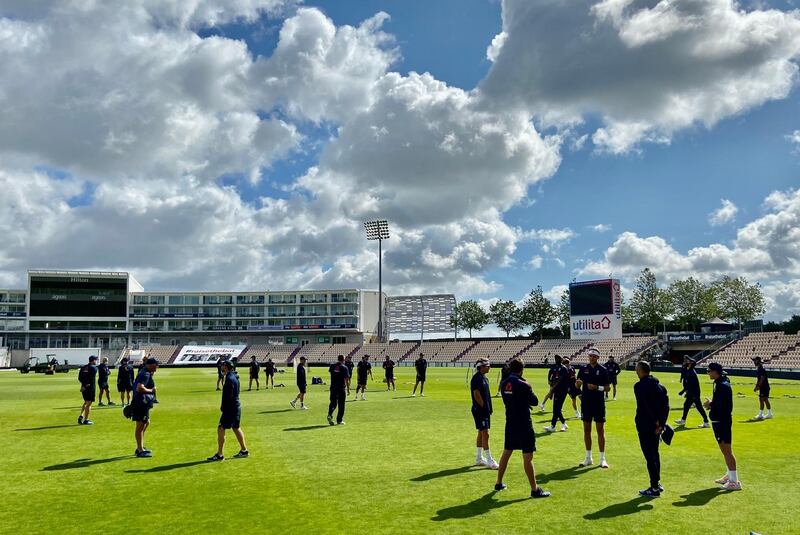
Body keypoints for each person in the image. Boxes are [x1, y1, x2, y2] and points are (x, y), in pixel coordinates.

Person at [494, 359, 550, 498]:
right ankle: (534, 489)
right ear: (521, 369)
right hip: (524, 423)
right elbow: (535, 401)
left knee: (507, 452)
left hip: (510, 422)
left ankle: (498, 482)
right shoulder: (524, 384)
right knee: (528, 456)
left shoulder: (504, 383)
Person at [703, 362, 742, 490]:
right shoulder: (719, 383)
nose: (707, 373)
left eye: (709, 371)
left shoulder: (722, 386)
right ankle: (729, 475)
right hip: (720, 421)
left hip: (722, 422)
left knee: (727, 451)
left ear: (715, 372)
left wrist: (710, 405)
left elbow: (724, 407)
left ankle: (734, 482)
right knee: (725, 452)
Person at [634, 361, 669, 497]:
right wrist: (661, 424)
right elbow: (666, 407)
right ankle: (657, 483)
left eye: (637, 369)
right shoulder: (660, 386)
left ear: (642, 370)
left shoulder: (639, 386)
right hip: (657, 426)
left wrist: (655, 421)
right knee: (655, 454)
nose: (636, 371)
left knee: (650, 456)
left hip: (646, 425)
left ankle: (654, 487)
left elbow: (644, 406)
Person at [207, 360, 249, 461]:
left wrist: (224, 407)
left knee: (221, 428)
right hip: (236, 406)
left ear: (226, 366)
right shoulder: (234, 377)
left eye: (222, 365)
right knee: (236, 427)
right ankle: (244, 450)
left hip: (230, 408)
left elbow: (228, 396)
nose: (221, 367)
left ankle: (220, 454)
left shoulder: (229, 379)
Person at [576, 348, 610, 468]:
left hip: (598, 403)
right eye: (590, 356)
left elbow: (607, 388)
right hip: (586, 402)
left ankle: (602, 459)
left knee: (600, 430)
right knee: (587, 430)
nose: (592, 358)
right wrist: (578, 384)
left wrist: (596, 387)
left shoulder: (603, 370)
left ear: (598, 358)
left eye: (594, 356)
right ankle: (588, 457)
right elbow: (577, 384)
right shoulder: (583, 369)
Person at [471, 358, 498, 469]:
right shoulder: (477, 378)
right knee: (485, 433)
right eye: (487, 365)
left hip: (483, 410)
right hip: (480, 410)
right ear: (481, 366)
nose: (489, 367)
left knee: (481, 433)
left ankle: (479, 458)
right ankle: (489, 460)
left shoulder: (484, 378)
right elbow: (476, 394)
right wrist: (484, 407)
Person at [132, 357, 159, 457]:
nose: (157, 367)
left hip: (140, 402)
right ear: (151, 365)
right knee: (140, 425)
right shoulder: (145, 374)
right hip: (140, 403)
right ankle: (139, 449)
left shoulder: (144, 371)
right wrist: (152, 391)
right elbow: (140, 388)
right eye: (156, 365)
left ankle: (141, 446)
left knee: (146, 422)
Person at [675, 357, 709, 428]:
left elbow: (692, 385)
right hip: (692, 393)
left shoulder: (691, 373)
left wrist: (684, 392)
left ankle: (706, 422)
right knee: (687, 405)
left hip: (694, 393)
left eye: (689, 362)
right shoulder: (690, 371)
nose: (687, 362)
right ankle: (683, 420)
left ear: (691, 364)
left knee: (699, 407)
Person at [543, 355, 569, 433]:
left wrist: (552, 388)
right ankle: (561, 424)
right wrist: (549, 381)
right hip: (556, 390)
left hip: (562, 390)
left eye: (558, 359)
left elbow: (560, 380)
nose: (556, 360)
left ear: (561, 360)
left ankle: (554, 426)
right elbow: (550, 373)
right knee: (556, 408)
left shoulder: (563, 368)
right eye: (555, 359)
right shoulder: (554, 367)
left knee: (557, 408)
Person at [327, 355, 350, 425]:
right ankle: (339, 420)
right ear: (343, 359)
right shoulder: (344, 367)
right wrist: (348, 389)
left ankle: (330, 414)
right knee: (341, 404)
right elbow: (346, 379)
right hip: (341, 388)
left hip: (333, 387)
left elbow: (331, 373)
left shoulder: (332, 366)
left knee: (333, 402)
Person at [77, 355, 99, 425]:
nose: (96, 361)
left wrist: (84, 385)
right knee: (89, 404)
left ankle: (81, 416)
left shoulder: (83, 367)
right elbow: (91, 378)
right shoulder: (94, 368)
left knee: (86, 402)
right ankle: (86, 420)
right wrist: (87, 385)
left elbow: (80, 378)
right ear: (93, 360)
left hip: (83, 387)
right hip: (90, 388)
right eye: (96, 360)